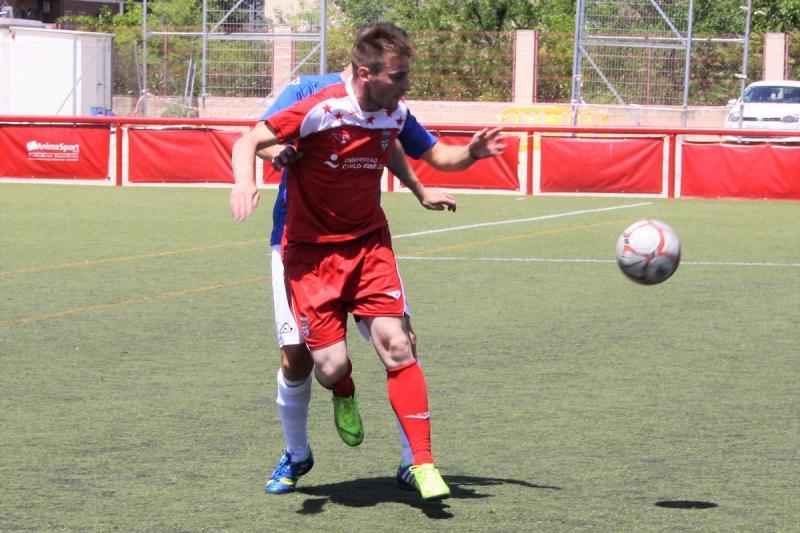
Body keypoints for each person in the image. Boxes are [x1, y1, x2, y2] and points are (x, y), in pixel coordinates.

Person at [231, 22, 504, 501]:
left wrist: (456, 164)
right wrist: (260, 170)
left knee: (401, 342)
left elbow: (396, 144)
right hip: (303, 246)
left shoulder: (391, 107)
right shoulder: (312, 95)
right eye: (399, 74)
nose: (407, 84)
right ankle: (300, 448)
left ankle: (417, 461)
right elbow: (259, 138)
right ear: (365, 68)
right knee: (311, 362)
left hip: (366, 244)